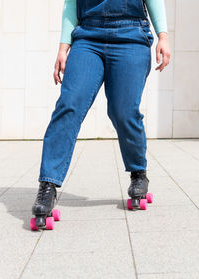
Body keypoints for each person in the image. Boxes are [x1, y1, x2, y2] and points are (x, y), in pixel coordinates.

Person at [31, 0, 171, 228]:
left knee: (123, 111)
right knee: (69, 105)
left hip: (131, 35)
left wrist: (163, 36)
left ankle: (138, 172)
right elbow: (71, 3)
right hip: (87, 36)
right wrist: (63, 46)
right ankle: (47, 185)